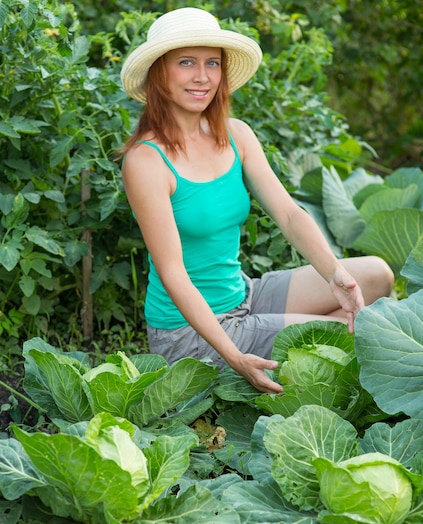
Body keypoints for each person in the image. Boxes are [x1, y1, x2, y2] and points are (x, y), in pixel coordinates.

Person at [120, 7, 394, 394]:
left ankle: (290, 348)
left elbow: (287, 213)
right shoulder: (146, 161)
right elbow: (173, 274)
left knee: (375, 276)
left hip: (244, 293)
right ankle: (264, 362)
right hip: (191, 332)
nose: (202, 77)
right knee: (356, 334)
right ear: (159, 72)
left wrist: (336, 277)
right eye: (186, 62)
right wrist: (234, 356)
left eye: (212, 63)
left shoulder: (236, 134)